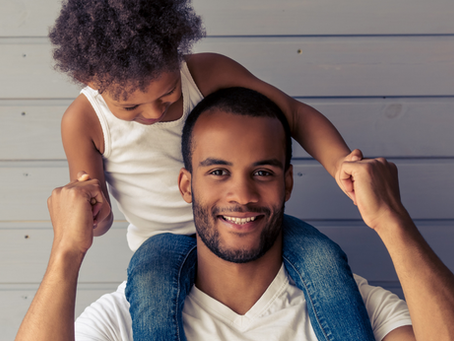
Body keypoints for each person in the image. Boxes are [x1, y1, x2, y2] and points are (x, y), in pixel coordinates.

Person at [15, 87, 454, 341]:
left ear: (287, 183)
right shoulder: (129, 314)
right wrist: (66, 252)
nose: (241, 195)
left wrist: (392, 221)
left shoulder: (350, 303)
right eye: (218, 171)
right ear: (187, 185)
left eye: (262, 172)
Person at [48, 0, 373, 340]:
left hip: (244, 222)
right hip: (162, 240)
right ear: (90, 79)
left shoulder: (207, 73)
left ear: (177, 51)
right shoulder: (83, 121)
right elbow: (101, 215)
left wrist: (340, 163)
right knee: (150, 286)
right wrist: (93, 213)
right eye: (130, 106)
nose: (154, 112)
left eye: (168, 94)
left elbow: (292, 115)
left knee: (325, 259)